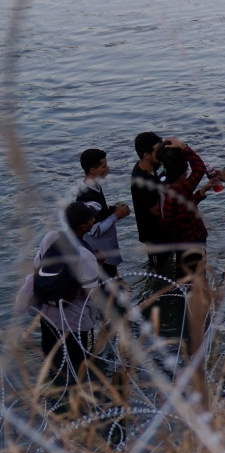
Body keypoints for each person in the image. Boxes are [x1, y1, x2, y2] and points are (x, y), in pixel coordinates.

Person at [15, 202, 103, 394]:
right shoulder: (86, 255)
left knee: (51, 359)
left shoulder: (50, 237)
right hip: (75, 321)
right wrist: (98, 267)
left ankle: (52, 394)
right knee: (83, 364)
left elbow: (37, 269)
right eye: (90, 219)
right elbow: (90, 295)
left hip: (48, 315)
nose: (94, 220)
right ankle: (80, 400)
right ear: (83, 227)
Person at [156, 141, 212, 277]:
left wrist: (200, 193)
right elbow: (199, 168)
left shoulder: (164, 185)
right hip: (193, 240)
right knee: (197, 278)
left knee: (184, 275)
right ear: (181, 174)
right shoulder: (181, 190)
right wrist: (184, 148)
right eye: (186, 170)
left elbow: (181, 209)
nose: (188, 172)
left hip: (180, 241)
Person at [77, 148, 131, 277]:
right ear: (92, 170)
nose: (108, 168)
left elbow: (100, 214)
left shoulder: (95, 186)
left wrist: (113, 209)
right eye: (104, 166)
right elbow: (93, 230)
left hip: (107, 252)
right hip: (101, 254)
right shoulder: (87, 195)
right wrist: (116, 215)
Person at [131, 132, 172, 269]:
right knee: (159, 269)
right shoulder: (141, 180)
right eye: (158, 151)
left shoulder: (153, 167)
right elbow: (156, 210)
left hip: (164, 231)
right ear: (146, 155)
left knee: (168, 262)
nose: (161, 154)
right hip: (153, 235)